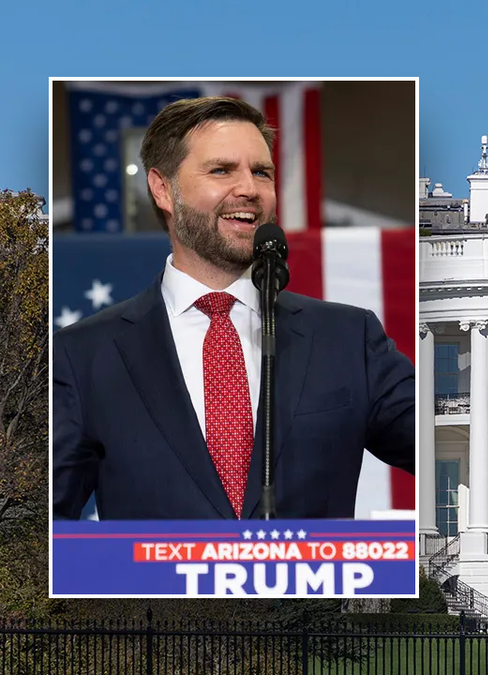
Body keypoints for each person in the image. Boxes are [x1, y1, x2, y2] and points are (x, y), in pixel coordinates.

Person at [53, 96, 415, 520]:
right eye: (222, 170)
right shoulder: (83, 356)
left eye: (262, 172)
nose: (249, 189)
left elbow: (439, 446)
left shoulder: (348, 339)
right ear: (163, 188)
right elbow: (45, 526)